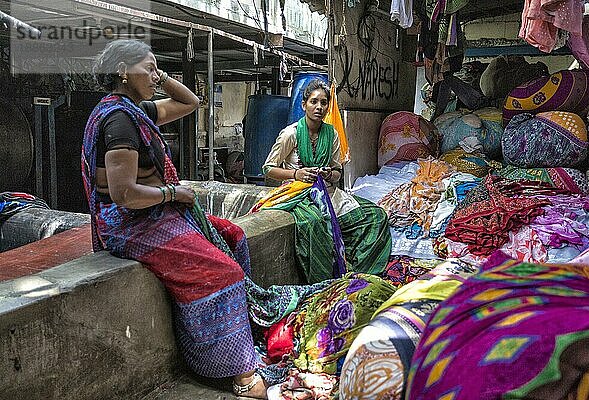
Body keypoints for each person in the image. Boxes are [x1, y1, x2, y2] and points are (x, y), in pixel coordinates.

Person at [81, 39, 266, 398]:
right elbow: (124, 195)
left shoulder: (138, 109)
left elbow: (190, 102)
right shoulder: (120, 120)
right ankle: (233, 368)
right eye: (147, 68)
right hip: (132, 224)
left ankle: (245, 330)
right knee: (223, 273)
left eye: (156, 68)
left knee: (232, 236)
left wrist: (158, 75)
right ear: (122, 71)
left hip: (156, 212)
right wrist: (172, 194)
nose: (155, 75)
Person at [256, 79, 392, 283]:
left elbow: (338, 172)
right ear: (304, 105)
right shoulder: (290, 134)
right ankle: (324, 280)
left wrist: (329, 174)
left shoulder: (332, 134)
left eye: (323, 102)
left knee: (376, 216)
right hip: (300, 194)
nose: (319, 107)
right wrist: (296, 175)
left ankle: (359, 273)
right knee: (316, 224)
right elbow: (268, 169)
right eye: (314, 102)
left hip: (329, 194)